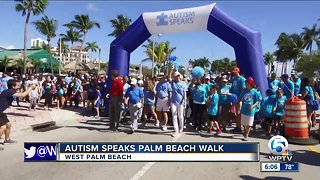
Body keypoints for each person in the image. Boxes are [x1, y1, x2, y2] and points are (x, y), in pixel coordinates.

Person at [0, 79, 35, 150]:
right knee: (3, 127)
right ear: (13, 86)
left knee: (8, 124)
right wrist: (30, 88)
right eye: (18, 85)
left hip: (1, 111)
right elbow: (23, 95)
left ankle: (7, 140)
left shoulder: (9, 91)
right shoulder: (9, 92)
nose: (19, 86)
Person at [238, 77, 259, 141]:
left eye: (247, 83)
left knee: (249, 123)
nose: (246, 84)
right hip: (244, 109)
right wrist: (237, 105)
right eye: (246, 83)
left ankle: (247, 134)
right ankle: (245, 131)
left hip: (251, 110)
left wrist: (253, 106)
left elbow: (257, 101)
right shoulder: (244, 91)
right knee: (244, 123)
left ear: (250, 84)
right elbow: (239, 99)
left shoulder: (254, 92)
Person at [169, 71, 187, 137]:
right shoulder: (172, 83)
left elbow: (185, 93)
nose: (177, 77)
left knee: (180, 116)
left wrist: (185, 101)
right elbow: (169, 78)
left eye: (178, 76)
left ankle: (181, 127)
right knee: (174, 115)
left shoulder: (183, 83)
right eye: (176, 76)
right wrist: (171, 70)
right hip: (173, 101)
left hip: (181, 102)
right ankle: (176, 130)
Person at [230, 67, 246, 134]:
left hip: (240, 99)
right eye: (233, 72)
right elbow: (232, 88)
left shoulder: (242, 79)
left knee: (239, 113)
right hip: (234, 98)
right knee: (236, 113)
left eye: (235, 72)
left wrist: (240, 98)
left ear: (238, 72)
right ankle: (237, 126)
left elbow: (243, 89)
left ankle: (240, 127)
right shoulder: (233, 79)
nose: (234, 73)